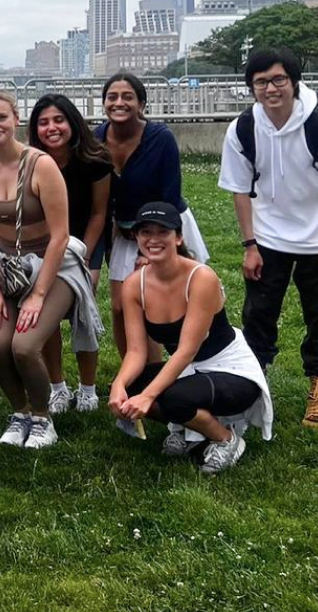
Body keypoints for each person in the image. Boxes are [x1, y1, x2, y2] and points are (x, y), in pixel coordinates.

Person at [0, 91, 101, 449]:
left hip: (54, 267)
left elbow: (60, 235)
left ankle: (42, 417)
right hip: (8, 267)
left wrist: (38, 294)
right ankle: (20, 411)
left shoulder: (41, 164)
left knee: (24, 346)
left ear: (15, 118)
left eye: (1, 118)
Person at [219, 47, 318, 428]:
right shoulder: (243, 129)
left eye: (278, 80)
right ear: (251, 88)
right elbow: (240, 189)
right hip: (268, 237)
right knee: (258, 316)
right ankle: (251, 389)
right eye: (261, 82)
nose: (271, 89)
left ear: (293, 81)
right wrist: (249, 246)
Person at [109, 203, 272, 474]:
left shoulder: (201, 278)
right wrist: (119, 385)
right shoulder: (133, 285)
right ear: (136, 238)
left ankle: (226, 439)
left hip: (230, 370)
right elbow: (137, 351)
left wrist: (149, 396)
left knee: (170, 397)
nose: (153, 239)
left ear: (179, 237)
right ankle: (188, 429)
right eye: (145, 232)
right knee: (134, 386)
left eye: (163, 232)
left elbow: (186, 350)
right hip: (188, 370)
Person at [96, 71, 208, 356]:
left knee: (169, 304)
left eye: (127, 97)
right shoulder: (96, 139)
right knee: (121, 308)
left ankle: (184, 367)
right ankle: (137, 375)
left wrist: (152, 247)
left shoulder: (161, 139)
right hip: (125, 231)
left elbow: (169, 194)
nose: (119, 102)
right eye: (112, 97)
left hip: (166, 227)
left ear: (142, 104)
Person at [29, 93, 113, 414]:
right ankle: (58, 386)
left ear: (72, 123)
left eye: (58, 120)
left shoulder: (96, 159)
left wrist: (84, 258)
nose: (52, 128)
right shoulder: (31, 163)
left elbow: (98, 213)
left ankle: (88, 387)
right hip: (44, 249)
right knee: (46, 317)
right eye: (43, 122)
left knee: (84, 316)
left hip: (84, 246)